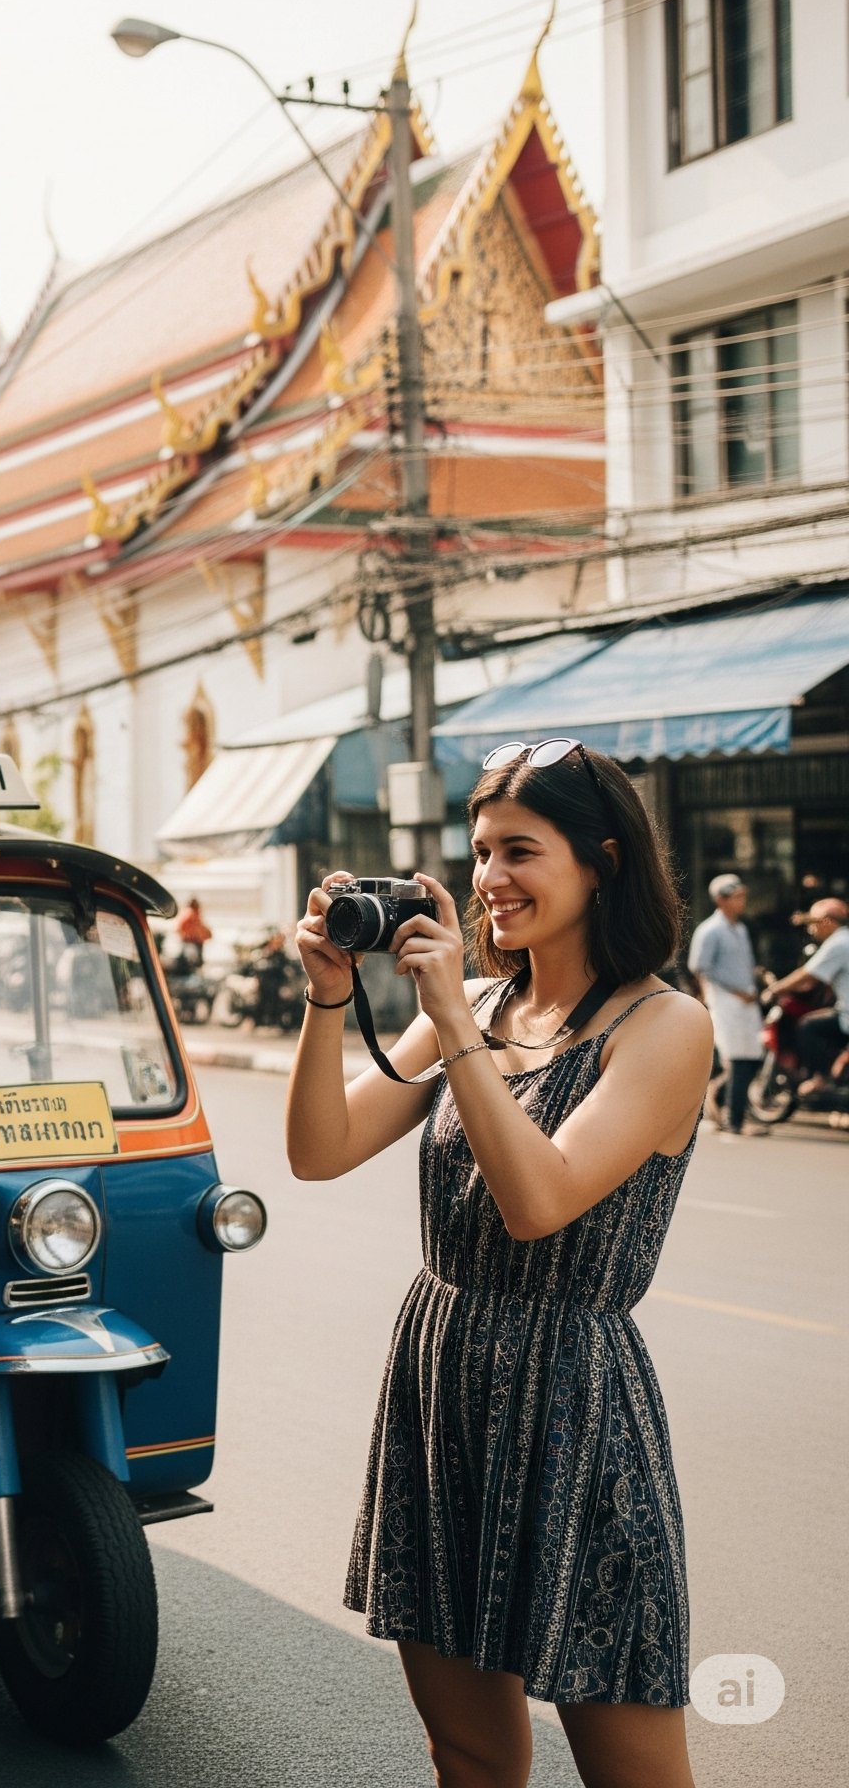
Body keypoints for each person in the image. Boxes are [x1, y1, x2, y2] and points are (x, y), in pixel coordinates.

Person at [286, 741, 710, 1788]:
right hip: (441, 1384)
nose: (487, 879)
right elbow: (317, 1149)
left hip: (574, 1397)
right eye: (478, 852)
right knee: (467, 1754)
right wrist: (326, 996)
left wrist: (449, 1023)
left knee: (631, 1764)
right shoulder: (475, 1005)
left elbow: (538, 1201)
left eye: (518, 849)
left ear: (600, 859)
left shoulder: (662, 1025)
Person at [687, 874, 762, 1138]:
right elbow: (700, 968)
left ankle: (719, 1095)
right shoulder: (710, 930)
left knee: (754, 1057)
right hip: (726, 1000)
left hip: (748, 1001)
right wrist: (726, 993)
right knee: (739, 1059)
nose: (742, 902)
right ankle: (735, 1121)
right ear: (721, 900)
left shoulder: (740, 928)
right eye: (736, 896)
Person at [761, 894, 849, 1095]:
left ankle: (820, 1077)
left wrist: (774, 989)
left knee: (809, 1026)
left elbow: (806, 974)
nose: (812, 928)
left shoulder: (838, 943)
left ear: (826, 922)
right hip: (843, 1010)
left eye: (814, 923)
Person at [175, 897, 212, 967]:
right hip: (191, 940)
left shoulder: (194, 913)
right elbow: (181, 927)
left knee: (195, 960)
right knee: (191, 959)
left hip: (196, 940)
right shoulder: (190, 914)